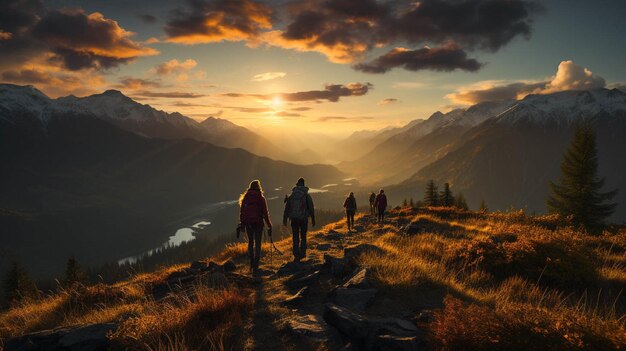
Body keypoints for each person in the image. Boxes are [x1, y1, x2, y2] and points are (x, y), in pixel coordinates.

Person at [239, 180, 272, 271]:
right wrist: (269, 224)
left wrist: (242, 224)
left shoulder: (245, 197)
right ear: (258, 187)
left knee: (250, 242)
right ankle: (256, 264)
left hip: (248, 224)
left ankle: (251, 262)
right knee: (258, 243)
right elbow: (265, 213)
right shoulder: (260, 197)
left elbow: (242, 212)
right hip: (258, 223)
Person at [283, 177, 315, 262]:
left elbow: (287, 208)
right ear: (304, 185)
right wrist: (313, 219)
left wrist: (284, 220)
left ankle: (296, 254)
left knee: (295, 236)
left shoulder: (292, 195)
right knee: (303, 236)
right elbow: (311, 208)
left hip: (294, 219)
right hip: (303, 219)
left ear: (297, 185)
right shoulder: (306, 195)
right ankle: (303, 253)